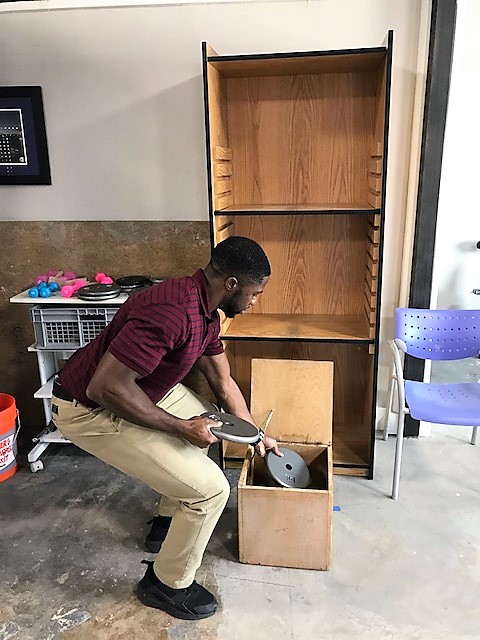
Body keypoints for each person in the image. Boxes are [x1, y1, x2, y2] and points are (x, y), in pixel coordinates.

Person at [51, 235, 281, 621]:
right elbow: (104, 387)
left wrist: (255, 434)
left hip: (141, 389)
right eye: (254, 293)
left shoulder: (206, 309)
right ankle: (165, 584)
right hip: (87, 407)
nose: (255, 302)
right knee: (210, 491)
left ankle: (167, 521)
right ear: (231, 284)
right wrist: (180, 428)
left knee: (213, 423)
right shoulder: (171, 311)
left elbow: (224, 384)